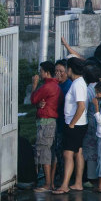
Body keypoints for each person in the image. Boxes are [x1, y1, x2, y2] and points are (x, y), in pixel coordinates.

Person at [54, 58, 88, 195]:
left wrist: (72, 123)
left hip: (75, 124)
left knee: (68, 154)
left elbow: (81, 106)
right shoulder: (78, 83)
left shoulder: (78, 84)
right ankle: (78, 182)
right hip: (78, 123)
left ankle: (65, 185)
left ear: (70, 69)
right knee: (78, 152)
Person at [30, 61, 61, 193]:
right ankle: (51, 182)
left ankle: (48, 183)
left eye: (41, 71)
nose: (40, 73)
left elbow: (33, 99)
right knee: (50, 151)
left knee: (44, 151)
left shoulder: (47, 86)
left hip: (45, 122)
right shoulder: (55, 86)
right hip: (51, 121)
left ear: (46, 72)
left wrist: (34, 84)